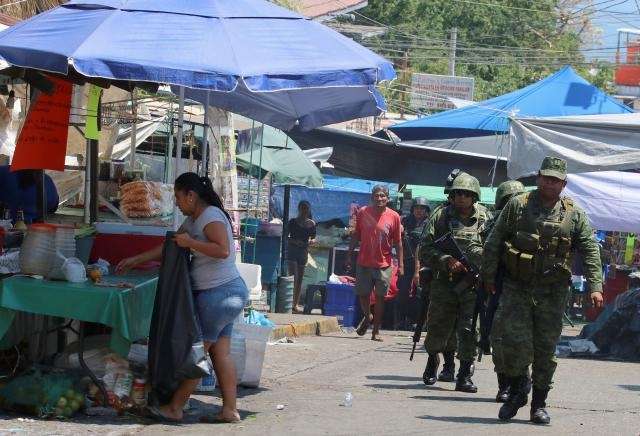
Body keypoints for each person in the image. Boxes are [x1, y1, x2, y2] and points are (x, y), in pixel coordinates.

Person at [116, 172, 248, 423]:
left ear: (191, 195)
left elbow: (222, 250)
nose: (176, 202)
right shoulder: (194, 219)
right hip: (228, 294)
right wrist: (136, 260)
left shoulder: (209, 217)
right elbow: (172, 245)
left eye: (178, 197)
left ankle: (175, 407)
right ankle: (229, 410)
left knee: (196, 355)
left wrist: (191, 243)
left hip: (218, 296)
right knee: (220, 354)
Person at [482, 157, 604, 424]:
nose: (550, 183)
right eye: (546, 177)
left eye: (556, 180)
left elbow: (590, 250)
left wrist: (595, 286)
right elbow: (494, 241)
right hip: (517, 286)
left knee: (545, 349)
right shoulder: (517, 205)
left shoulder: (574, 214)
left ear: (564, 184)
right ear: (538, 177)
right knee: (511, 343)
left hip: (552, 291)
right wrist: (488, 276)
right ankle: (517, 389)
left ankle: (538, 404)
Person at [419, 173, 491, 392]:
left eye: (466, 194)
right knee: (438, 324)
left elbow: (493, 249)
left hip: (472, 284)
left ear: (474, 196)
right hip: (445, 283)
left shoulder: (485, 218)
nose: (461, 198)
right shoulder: (440, 217)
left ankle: (464, 374)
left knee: (470, 329)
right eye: (457, 193)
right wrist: (445, 260)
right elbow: (424, 249)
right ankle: (433, 360)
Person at [484, 180, 526, 403]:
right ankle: (504, 384)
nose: (514, 204)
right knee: (497, 336)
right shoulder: (493, 224)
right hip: (500, 285)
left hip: (527, 287)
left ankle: (520, 381)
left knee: (524, 338)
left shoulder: (532, 222)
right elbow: (486, 249)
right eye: (509, 200)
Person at [346, 185, 403, 342]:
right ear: (372, 197)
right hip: (364, 261)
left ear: (387, 198)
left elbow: (398, 242)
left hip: (384, 264)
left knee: (379, 298)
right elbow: (356, 235)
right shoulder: (363, 212)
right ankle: (367, 315)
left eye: (382, 196)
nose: (380, 198)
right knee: (362, 294)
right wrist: (349, 255)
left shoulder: (394, 217)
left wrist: (402, 265)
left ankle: (375, 331)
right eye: (377, 196)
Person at [397, 197, 430, 329]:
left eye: (422, 208)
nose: (419, 210)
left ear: (427, 210)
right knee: (403, 292)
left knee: (421, 293)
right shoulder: (405, 221)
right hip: (406, 262)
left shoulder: (429, 224)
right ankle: (403, 319)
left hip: (423, 263)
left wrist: (418, 269)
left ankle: (420, 321)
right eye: (416, 208)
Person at [286, 200, 316, 313]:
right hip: (293, 250)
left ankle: (295, 304)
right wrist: (294, 241)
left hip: (303, 251)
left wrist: (312, 241)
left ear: (309, 210)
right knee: (294, 277)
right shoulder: (292, 222)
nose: (304, 211)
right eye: (302, 208)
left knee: (299, 279)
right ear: (299, 209)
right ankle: (289, 302)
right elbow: (285, 236)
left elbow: (313, 237)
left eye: (306, 208)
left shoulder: (312, 224)